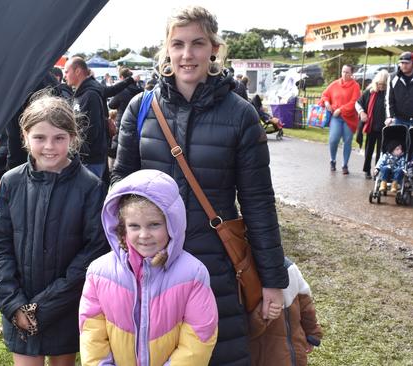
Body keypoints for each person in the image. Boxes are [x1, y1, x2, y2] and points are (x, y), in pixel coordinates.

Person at [112, 6, 288, 364]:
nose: (187, 54)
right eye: (177, 44)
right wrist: (124, 251)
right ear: (166, 49)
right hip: (151, 264)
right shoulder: (140, 108)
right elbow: (119, 189)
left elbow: (257, 201)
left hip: (217, 268)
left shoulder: (240, 114)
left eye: (197, 43)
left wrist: (272, 279)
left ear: (214, 49)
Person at [0, 93, 108, 366]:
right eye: (40, 137)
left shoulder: (90, 186)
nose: (49, 146)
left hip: (65, 306)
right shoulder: (10, 182)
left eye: (59, 138)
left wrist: (44, 308)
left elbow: (93, 252)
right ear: (25, 137)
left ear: (73, 139)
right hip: (18, 304)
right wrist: (14, 304)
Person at [79, 169, 218, 365]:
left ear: (172, 225)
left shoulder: (193, 274)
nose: (144, 235)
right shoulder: (98, 272)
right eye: (134, 226)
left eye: (154, 225)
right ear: (121, 228)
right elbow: (91, 333)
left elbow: (199, 338)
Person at [248, 257, 323, 366]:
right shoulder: (245, 275)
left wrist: (313, 334)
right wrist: (262, 313)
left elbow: (306, 307)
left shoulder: (289, 269)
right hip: (266, 355)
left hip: (296, 351)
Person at [64, 57, 110, 178]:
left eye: (67, 71)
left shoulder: (91, 95)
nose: (65, 75)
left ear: (77, 71)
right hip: (82, 158)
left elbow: (93, 129)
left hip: (91, 160)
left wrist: (78, 151)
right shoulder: (79, 95)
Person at [321, 64, 361, 174]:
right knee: (333, 139)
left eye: (347, 72)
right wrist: (326, 102)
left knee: (347, 141)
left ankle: (345, 165)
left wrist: (341, 109)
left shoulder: (355, 86)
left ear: (352, 74)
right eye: (343, 71)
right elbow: (325, 94)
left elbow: (355, 102)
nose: (345, 74)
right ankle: (332, 160)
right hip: (336, 117)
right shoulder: (334, 84)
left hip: (349, 118)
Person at [356, 70, 389, 179]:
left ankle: (378, 171)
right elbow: (358, 103)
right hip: (372, 126)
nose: (381, 87)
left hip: (385, 128)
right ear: (376, 83)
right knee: (369, 150)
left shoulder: (389, 94)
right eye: (380, 84)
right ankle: (367, 171)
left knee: (382, 151)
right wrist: (361, 112)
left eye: (384, 84)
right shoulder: (369, 92)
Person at [107, 67, 143, 162]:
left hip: (122, 125)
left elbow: (111, 105)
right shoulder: (141, 91)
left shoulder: (121, 91)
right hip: (138, 125)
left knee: (115, 157)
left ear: (122, 77)